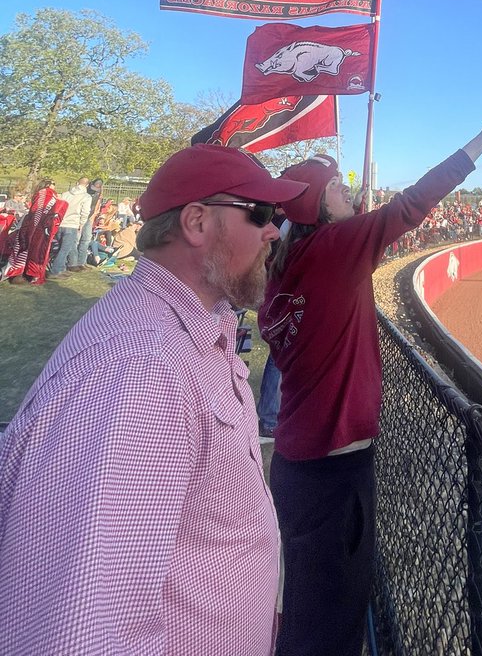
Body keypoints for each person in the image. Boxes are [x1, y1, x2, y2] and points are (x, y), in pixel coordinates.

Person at [0, 144, 309, 655]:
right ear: (196, 222)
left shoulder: (197, 323)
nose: (274, 231)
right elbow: (77, 630)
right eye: (260, 213)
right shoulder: (142, 370)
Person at [259, 113, 482, 656]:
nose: (351, 195)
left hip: (298, 464)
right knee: (334, 621)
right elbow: (410, 205)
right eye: (339, 190)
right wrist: (478, 145)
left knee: (307, 603)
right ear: (319, 209)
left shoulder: (285, 268)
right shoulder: (333, 253)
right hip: (335, 469)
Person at [2, 180, 64, 284]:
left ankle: (24, 274)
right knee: (25, 251)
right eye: (53, 183)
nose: (54, 186)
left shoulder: (43, 194)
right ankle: (19, 275)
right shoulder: (45, 193)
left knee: (27, 252)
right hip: (33, 228)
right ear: (48, 185)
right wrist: (34, 229)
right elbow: (38, 213)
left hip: (33, 227)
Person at [48, 177, 93, 277]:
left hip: (61, 223)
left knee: (60, 247)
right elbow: (85, 212)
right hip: (72, 224)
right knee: (65, 249)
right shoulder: (86, 197)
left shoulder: (65, 194)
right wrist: (81, 224)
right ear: (87, 185)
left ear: (77, 183)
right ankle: (55, 271)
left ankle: (62, 268)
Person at [75, 176, 104, 268]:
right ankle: (72, 262)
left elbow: (95, 206)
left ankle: (81, 262)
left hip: (88, 217)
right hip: (79, 216)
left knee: (87, 239)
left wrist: (93, 215)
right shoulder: (84, 192)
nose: (94, 191)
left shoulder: (98, 192)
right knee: (76, 239)